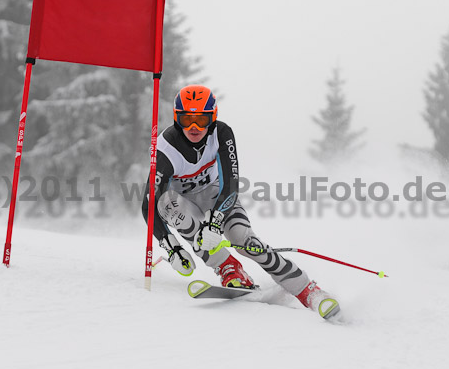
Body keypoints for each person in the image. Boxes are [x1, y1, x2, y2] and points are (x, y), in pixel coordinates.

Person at [142, 84, 340, 319]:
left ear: (213, 118)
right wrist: (172, 248)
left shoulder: (222, 134)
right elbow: (148, 204)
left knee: (245, 241)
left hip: (218, 195)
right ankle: (229, 268)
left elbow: (231, 185)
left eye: (202, 120)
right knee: (167, 204)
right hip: (183, 202)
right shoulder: (166, 149)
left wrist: (215, 223)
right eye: (186, 119)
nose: (194, 127)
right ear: (177, 119)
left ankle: (308, 291)